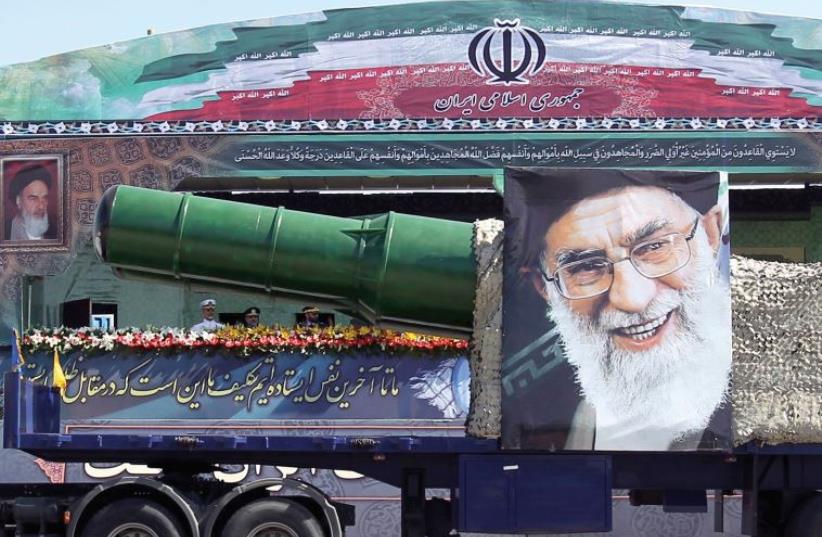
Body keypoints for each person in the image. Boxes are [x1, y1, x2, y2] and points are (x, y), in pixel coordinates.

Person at [504, 169, 731, 451]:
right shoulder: (559, 412)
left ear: (711, 235)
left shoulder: (744, 397)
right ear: (543, 286)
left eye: (654, 247)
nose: (631, 298)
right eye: (586, 267)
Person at [4, 164, 57, 241]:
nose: (41, 206)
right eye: (33, 199)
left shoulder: (55, 230)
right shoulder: (6, 232)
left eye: (45, 198)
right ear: (19, 201)